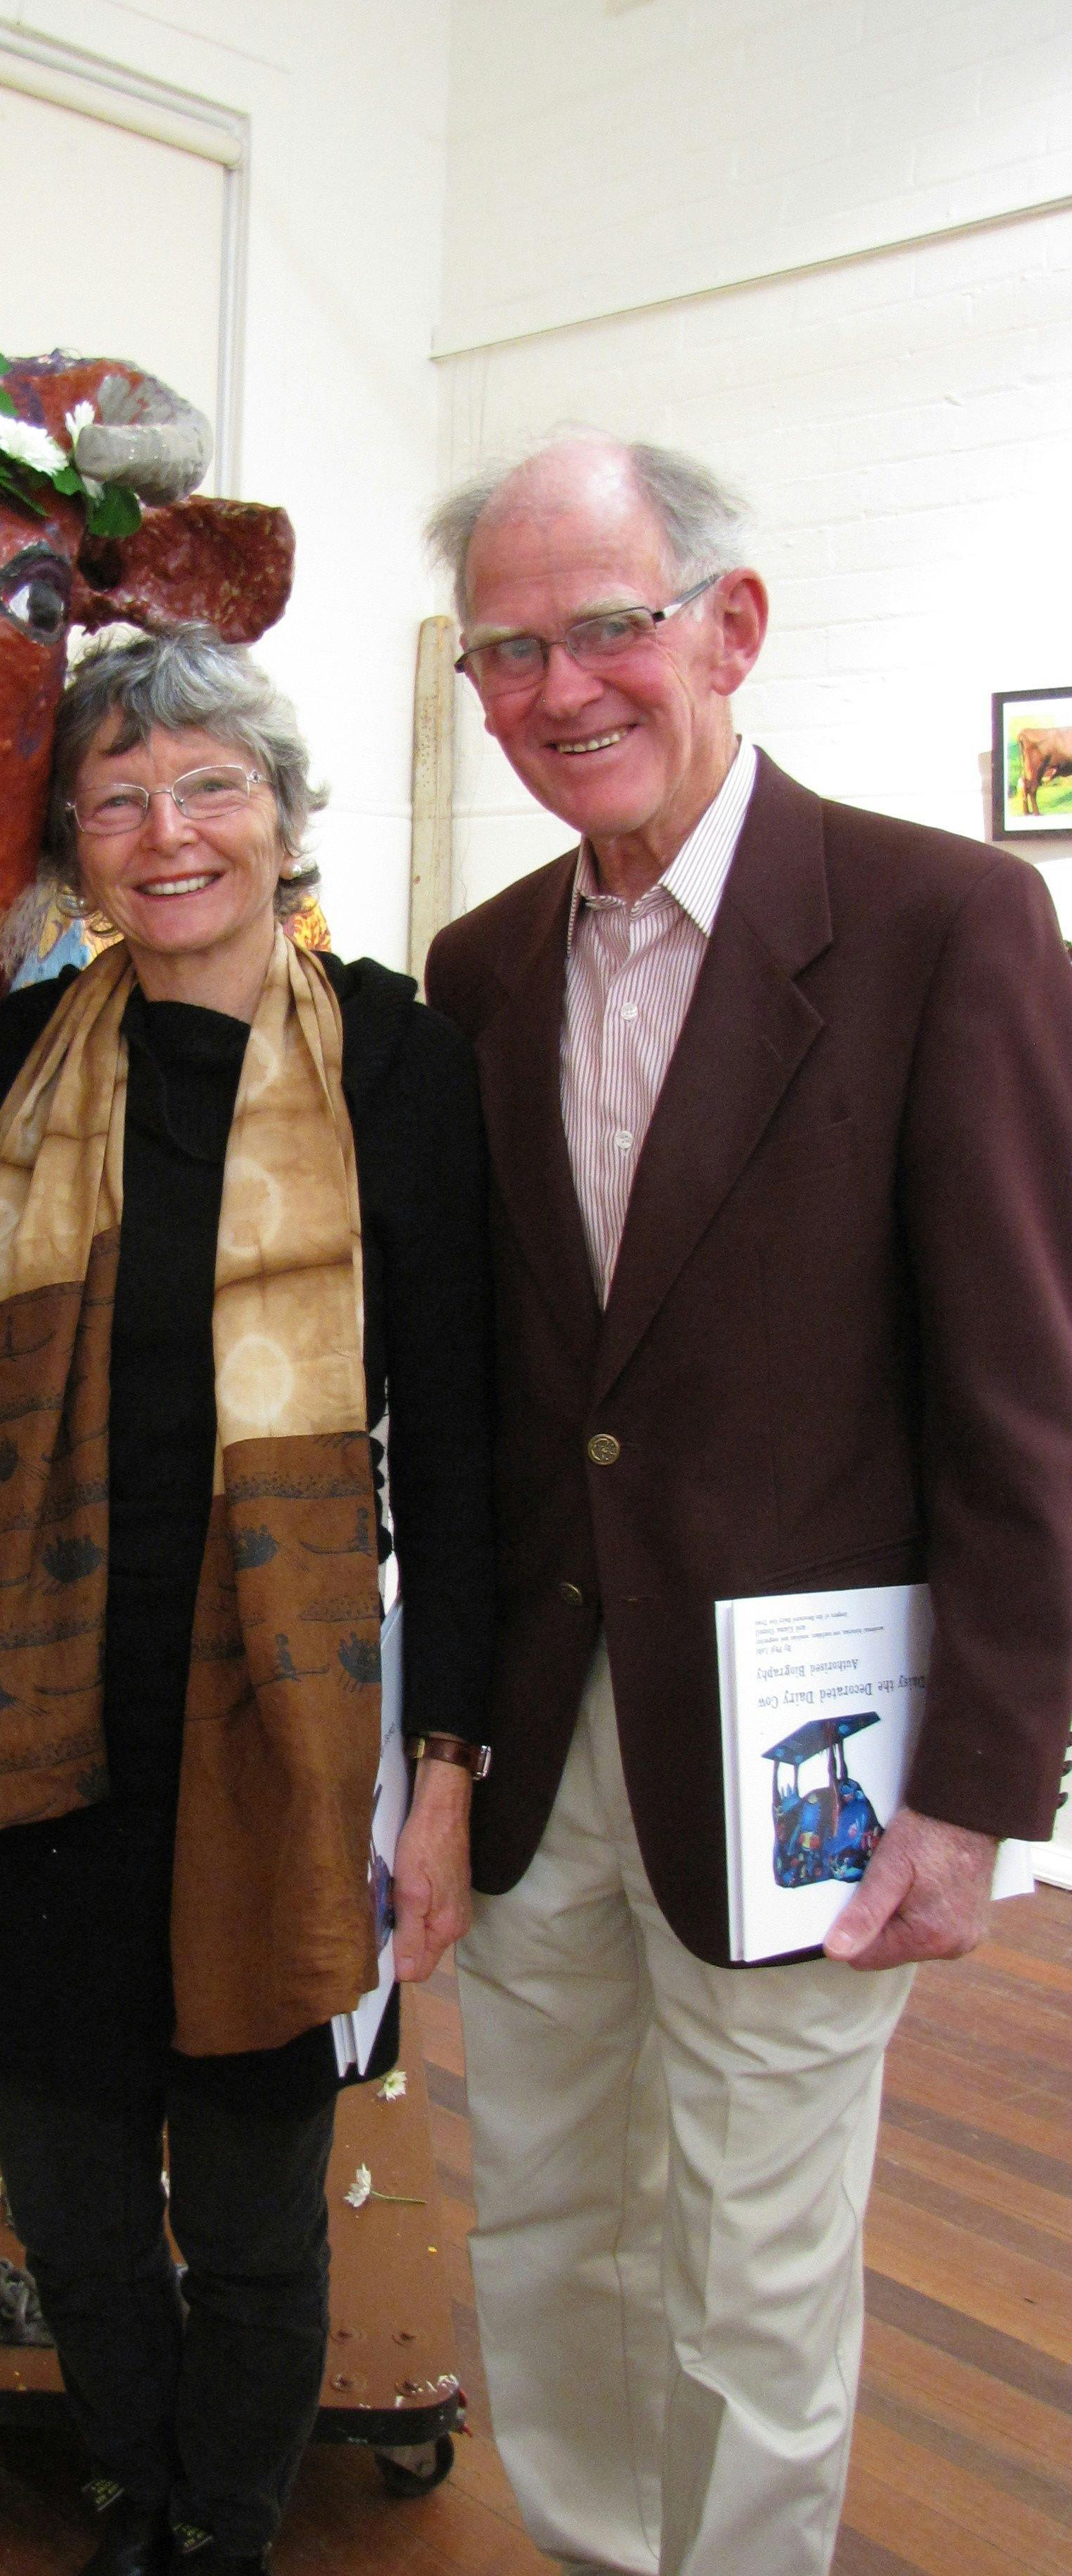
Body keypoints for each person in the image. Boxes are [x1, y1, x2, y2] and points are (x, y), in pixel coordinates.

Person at [422, 434, 1072, 2576]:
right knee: (548, 2224)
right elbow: (505, 1404)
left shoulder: (944, 924)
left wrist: (977, 1788)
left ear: (732, 628)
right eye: (508, 652)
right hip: (542, 1730)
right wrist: (438, 1753)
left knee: (758, 2265)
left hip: (809, 1751)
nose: (561, 690)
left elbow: (1024, 1400)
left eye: (608, 627)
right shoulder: (483, 968)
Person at [0, 627, 492, 2576]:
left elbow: (453, 1442)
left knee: (261, 2201)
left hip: (270, 1722)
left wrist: (446, 1768)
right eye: (116, 798)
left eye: (209, 786)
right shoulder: (28, 1054)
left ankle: (228, 2526)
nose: (165, 831)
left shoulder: (397, 1059)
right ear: (75, 851)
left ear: (281, 816)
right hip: (44, 1714)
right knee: (77, 2185)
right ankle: (133, 2484)